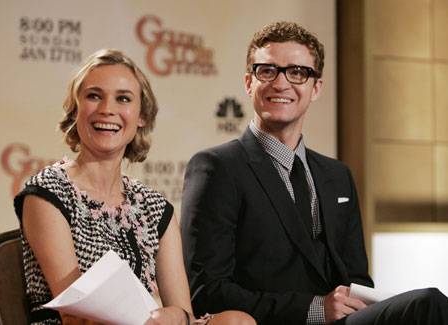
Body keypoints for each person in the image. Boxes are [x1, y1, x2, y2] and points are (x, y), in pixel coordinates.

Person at [180, 21, 448, 324]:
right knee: (428, 305)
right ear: (248, 82)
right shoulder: (217, 168)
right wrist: (315, 309)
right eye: (267, 71)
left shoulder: (338, 175)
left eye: (297, 72)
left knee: (428, 303)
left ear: (316, 87)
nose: (281, 84)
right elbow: (207, 291)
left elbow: (358, 279)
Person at [14, 49, 255, 325]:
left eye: (123, 99)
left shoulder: (155, 207)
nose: (107, 109)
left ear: (142, 116)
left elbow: (183, 311)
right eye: (94, 96)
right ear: (75, 109)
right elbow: (74, 314)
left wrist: (170, 316)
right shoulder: (47, 192)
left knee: (238, 321)